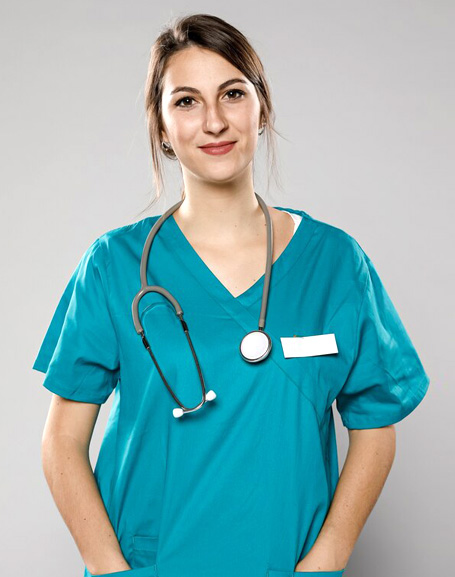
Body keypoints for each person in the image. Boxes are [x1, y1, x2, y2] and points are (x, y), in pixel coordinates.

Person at [33, 13, 430, 577]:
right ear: (162, 128)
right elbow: (61, 443)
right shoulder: (114, 266)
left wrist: (327, 559)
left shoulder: (335, 263)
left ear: (261, 107)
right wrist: (108, 569)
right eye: (187, 102)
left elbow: (375, 424)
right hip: (152, 565)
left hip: (285, 566)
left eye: (233, 94)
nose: (214, 121)